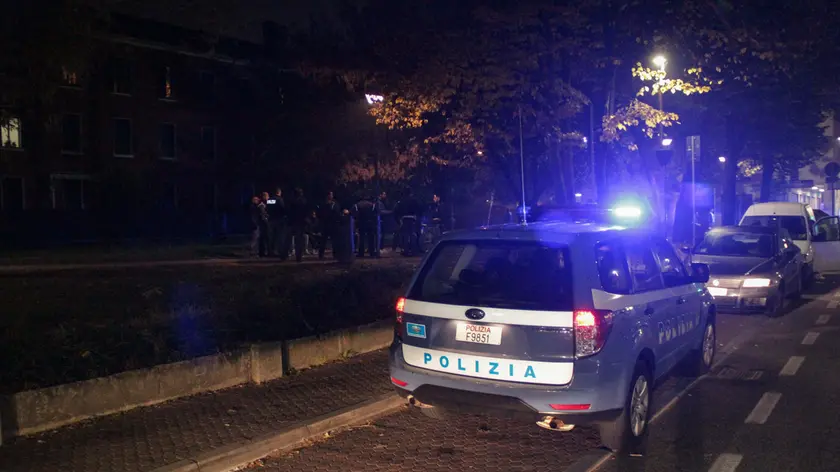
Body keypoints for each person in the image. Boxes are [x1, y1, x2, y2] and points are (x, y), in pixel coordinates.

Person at [317, 191, 342, 260]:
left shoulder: (335, 204)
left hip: (333, 224)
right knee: (323, 241)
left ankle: (336, 254)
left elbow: (337, 213)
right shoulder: (323, 204)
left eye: (331, 195)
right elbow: (320, 213)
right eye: (329, 195)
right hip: (325, 224)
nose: (330, 196)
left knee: (334, 240)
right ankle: (321, 255)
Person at [285, 188, 308, 262]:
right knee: (299, 240)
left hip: (291, 222)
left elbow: (288, 211)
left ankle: (285, 255)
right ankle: (299, 257)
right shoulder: (303, 201)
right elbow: (305, 212)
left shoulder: (290, 200)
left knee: (288, 239)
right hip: (299, 222)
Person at [265, 188, 287, 258]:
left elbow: (267, 209)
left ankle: (270, 252)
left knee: (271, 237)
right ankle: (279, 252)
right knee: (279, 237)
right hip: (278, 220)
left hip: (270, 219)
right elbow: (282, 209)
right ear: (279, 192)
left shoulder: (269, 200)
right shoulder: (279, 199)